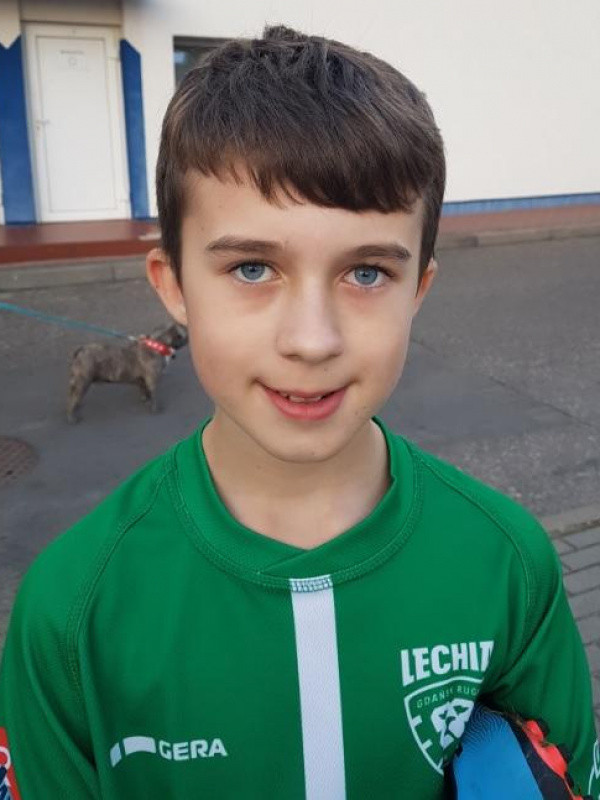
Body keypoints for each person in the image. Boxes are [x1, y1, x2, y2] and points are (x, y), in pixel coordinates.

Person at [0, 23, 598, 800]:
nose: (312, 341)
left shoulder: (507, 565)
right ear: (173, 284)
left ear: (419, 290)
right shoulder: (73, 609)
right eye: (253, 267)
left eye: (367, 272)